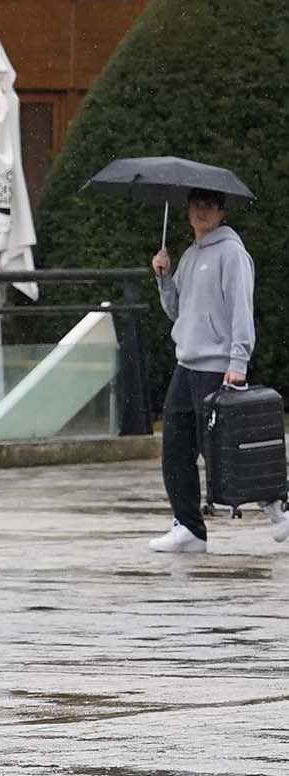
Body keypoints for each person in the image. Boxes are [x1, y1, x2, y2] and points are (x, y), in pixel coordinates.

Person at [149, 187, 287, 553]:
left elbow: (242, 309)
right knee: (176, 448)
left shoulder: (232, 254)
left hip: (217, 366)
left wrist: (237, 361)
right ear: (187, 211)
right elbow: (178, 311)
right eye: (197, 205)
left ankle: (279, 510)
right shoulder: (191, 257)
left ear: (222, 212)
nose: (202, 212)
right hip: (187, 364)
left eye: (210, 206)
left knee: (226, 451)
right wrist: (164, 278)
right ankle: (189, 528)